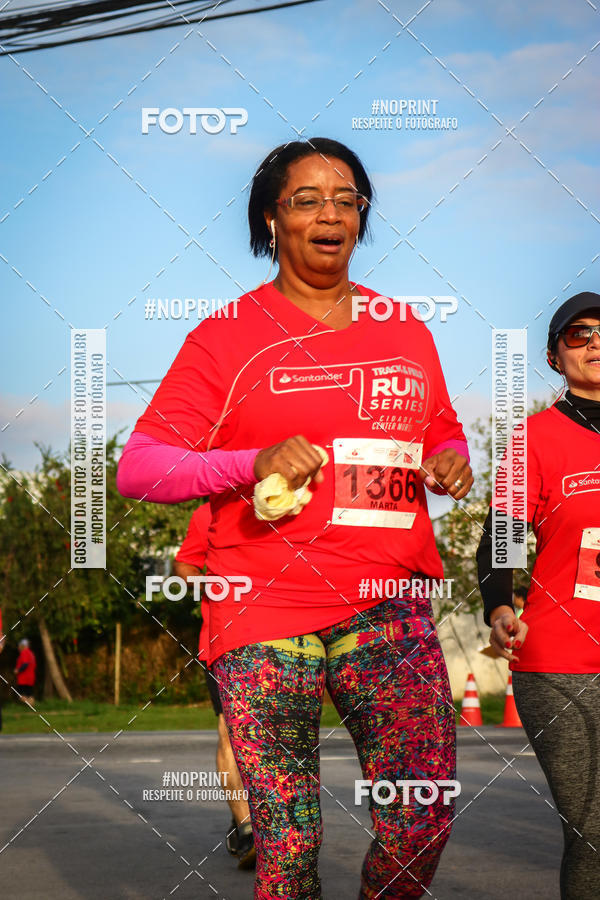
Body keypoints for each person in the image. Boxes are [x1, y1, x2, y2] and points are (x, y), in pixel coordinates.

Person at [118, 137, 473, 900]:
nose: (330, 214)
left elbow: (440, 426)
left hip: (388, 597)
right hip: (264, 606)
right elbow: (140, 467)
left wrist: (450, 455)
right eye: (307, 200)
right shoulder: (226, 336)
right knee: (288, 846)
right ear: (271, 220)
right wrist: (250, 463)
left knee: (422, 816)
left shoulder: (406, 328)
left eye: (347, 199)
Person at [477, 291, 600, 899]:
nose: (595, 343)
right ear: (555, 356)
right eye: (578, 334)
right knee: (594, 832)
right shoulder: (535, 439)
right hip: (563, 662)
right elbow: (499, 542)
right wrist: (500, 607)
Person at [173, 502, 256, 870]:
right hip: (223, 640)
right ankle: (247, 827)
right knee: (229, 732)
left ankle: (269, 819)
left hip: (286, 639)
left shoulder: (288, 505)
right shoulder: (208, 513)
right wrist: (208, 583)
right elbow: (185, 564)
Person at [14, 638, 36, 704]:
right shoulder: (31, 653)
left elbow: (25, 664)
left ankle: (28, 704)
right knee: (29, 694)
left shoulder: (24, 652)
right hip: (30, 677)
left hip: (24, 678)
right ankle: (30, 706)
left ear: (23, 646)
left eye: (19, 645)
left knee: (20, 694)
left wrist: (18, 670)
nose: (18, 647)